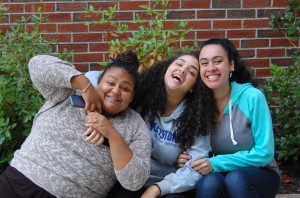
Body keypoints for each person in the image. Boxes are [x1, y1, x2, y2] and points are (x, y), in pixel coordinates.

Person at [0, 51, 151, 198]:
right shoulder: (69, 92)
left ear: (132, 97)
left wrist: (112, 134)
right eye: (110, 83)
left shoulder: (135, 126)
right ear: (99, 83)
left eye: (125, 89)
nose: (116, 91)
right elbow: (36, 64)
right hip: (18, 180)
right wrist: (83, 84)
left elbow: (135, 181)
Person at [178, 38, 281, 198]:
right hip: (218, 173)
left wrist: (216, 163)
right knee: (209, 184)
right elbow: (197, 149)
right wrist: (186, 158)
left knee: (236, 179)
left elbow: (264, 152)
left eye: (218, 61)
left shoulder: (252, 97)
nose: (211, 68)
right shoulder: (197, 104)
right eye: (204, 63)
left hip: (260, 174)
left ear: (231, 65)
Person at [107, 50, 218, 198]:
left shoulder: (197, 119)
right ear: (166, 69)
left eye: (191, 72)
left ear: (193, 87)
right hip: (132, 177)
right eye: (178, 64)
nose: (182, 70)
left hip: (170, 186)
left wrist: (158, 188)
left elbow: (194, 168)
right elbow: (102, 82)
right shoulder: (140, 96)